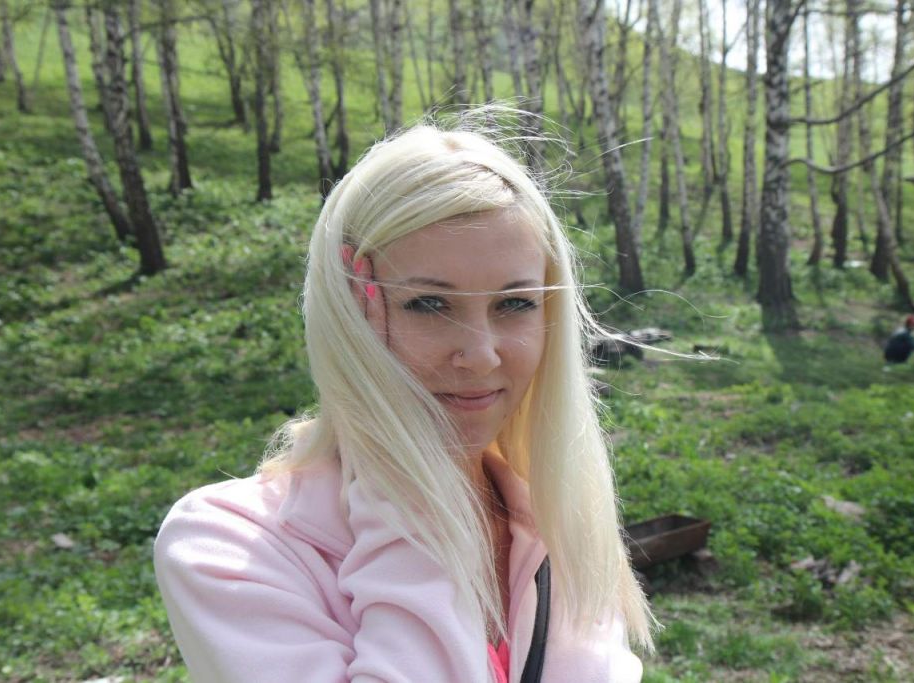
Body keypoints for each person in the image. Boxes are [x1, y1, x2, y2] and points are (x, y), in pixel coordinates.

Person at [153, 113, 656, 683]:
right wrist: (407, 491)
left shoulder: (551, 518)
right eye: (428, 304)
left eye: (514, 303)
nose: (481, 356)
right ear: (349, 316)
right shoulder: (230, 546)